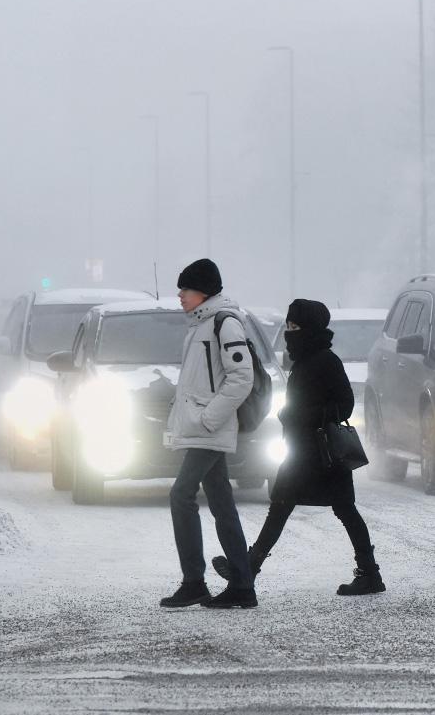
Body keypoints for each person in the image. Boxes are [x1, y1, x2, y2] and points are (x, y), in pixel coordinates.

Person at [212, 299, 386, 596]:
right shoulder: (303, 361)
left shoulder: (326, 360)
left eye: (295, 326)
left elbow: (345, 404)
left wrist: (303, 415)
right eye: (288, 326)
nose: (290, 332)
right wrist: (290, 415)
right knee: (282, 505)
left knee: (343, 509)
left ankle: (369, 574)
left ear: (310, 328)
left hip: (323, 454)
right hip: (302, 451)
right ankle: (248, 569)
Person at [160, 259, 257, 609]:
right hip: (204, 427)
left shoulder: (224, 323)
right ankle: (242, 585)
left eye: (186, 289)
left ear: (204, 291)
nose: (180, 295)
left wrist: (208, 419)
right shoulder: (200, 325)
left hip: (210, 428)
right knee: (221, 503)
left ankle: (194, 582)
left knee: (181, 495)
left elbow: (241, 378)